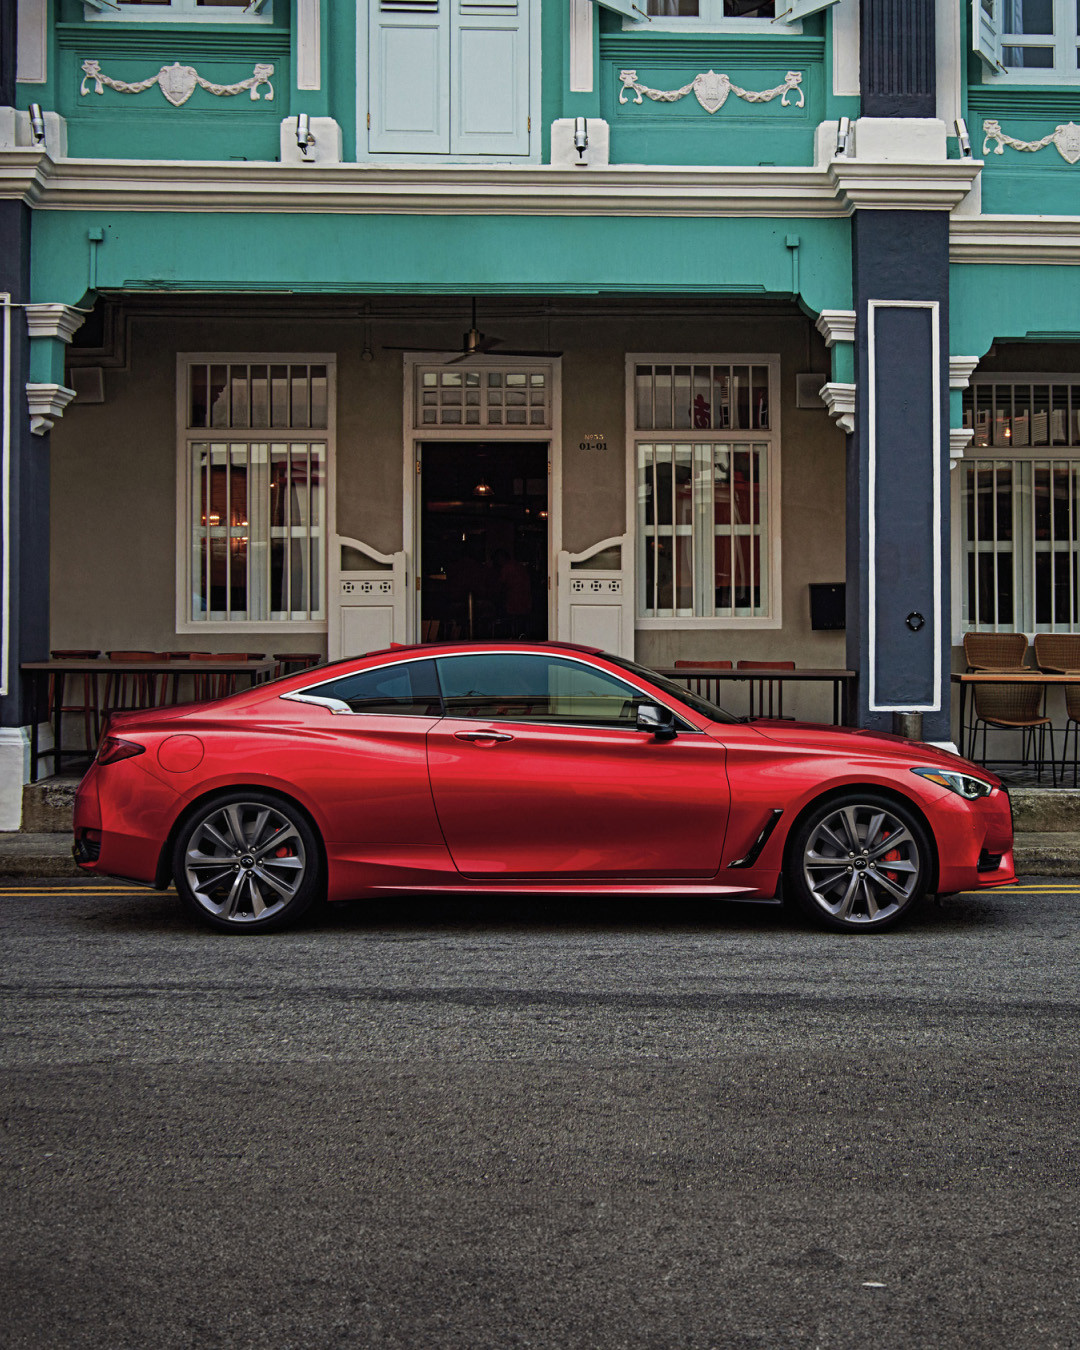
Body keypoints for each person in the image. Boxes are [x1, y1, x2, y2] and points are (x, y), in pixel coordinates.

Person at [494, 548, 532, 636]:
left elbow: (501, 584)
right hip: (525, 598)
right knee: (522, 621)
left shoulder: (506, 567)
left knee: (513, 620)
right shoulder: (520, 567)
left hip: (513, 599)